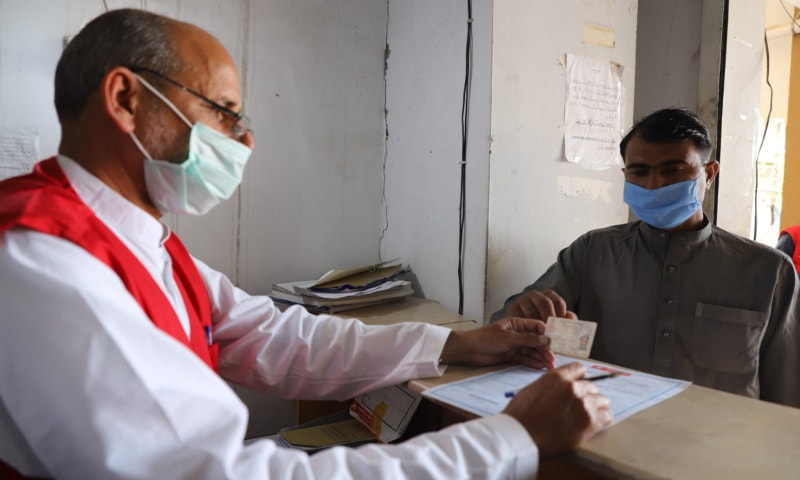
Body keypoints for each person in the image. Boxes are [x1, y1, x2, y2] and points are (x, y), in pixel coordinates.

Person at [0, 9, 613, 479]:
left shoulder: (141, 242)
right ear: (125, 100)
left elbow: (275, 337)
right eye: (225, 113)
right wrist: (511, 438)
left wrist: (459, 343)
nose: (244, 141)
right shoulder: (42, 258)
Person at [492, 107, 800, 407]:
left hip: (720, 448)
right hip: (605, 430)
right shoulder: (593, 253)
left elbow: (788, 392)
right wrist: (524, 313)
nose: (654, 185)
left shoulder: (768, 271)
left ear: (709, 174)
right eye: (639, 172)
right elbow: (507, 328)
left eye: (674, 170)